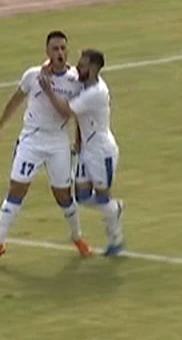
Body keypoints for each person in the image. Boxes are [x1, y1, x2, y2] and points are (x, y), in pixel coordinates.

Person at [0, 30, 93, 264]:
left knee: (63, 196)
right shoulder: (33, 75)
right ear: (47, 51)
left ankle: (77, 238)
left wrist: (79, 142)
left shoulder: (75, 81)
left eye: (63, 48)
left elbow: (76, 115)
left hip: (58, 142)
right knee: (16, 189)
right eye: (55, 49)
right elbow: (16, 100)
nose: (60, 52)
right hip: (31, 140)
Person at [37, 48, 125, 256]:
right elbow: (79, 115)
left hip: (102, 152)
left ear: (93, 68)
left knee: (102, 198)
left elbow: (67, 112)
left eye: (83, 64)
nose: (78, 67)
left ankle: (115, 237)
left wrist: (49, 91)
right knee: (83, 196)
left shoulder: (96, 92)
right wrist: (78, 140)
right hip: (87, 150)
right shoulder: (85, 84)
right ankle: (115, 209)